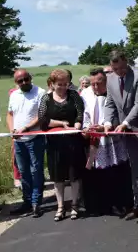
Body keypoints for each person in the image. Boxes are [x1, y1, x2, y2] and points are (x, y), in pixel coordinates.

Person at [104, 50, 138, 222]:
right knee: (134, 169)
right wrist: (108, 122)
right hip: (125, 132)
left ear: (127, 62)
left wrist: (126, 123)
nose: (120, 72)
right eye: (116, 69)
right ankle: (137, 205)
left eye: (122, 68)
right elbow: (110, 103)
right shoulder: (110, 79)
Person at [82, 68, 133, 216]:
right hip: (95, 141)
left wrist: (107, 127)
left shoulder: (115, 94)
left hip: (113, 141)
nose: (96, 87)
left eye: (99, 83)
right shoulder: (86, 95)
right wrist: (86, 128)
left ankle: (120, 204)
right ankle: (102, 205)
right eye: (93, 84)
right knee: (99, 174)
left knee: (117, 173)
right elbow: (84, 115)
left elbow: (121, 114)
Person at [39, 69, 87, 221]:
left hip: (73, 142)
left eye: (65, 84)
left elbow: (80, 113)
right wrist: (62, 123)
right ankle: (60, 207)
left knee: (74, 175)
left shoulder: (74, 96)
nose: (62, 87)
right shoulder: (46, 98)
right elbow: (43, 121)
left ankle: (74, 205)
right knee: (57, 177)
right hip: (55, 144)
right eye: (59, 84)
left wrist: (77, 125)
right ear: (52, 84)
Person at [7, 70, 46, 218]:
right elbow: (10, 114)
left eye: (26, 79)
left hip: (35, 138)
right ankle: (27, 202)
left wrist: (27, 128)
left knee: (36, 171)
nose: (23, 82)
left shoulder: (40, 92)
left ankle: (36, 203)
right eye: (20, 81)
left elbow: (42, 115)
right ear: (16, 82)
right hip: (18, 140)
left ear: (31, 78)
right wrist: (12, 130)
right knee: (23, 172)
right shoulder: (14, 95)